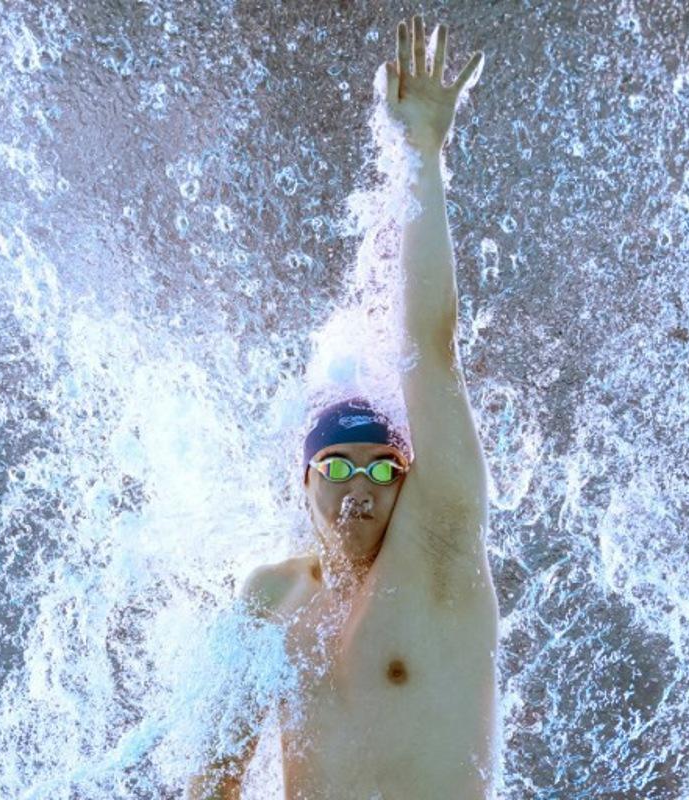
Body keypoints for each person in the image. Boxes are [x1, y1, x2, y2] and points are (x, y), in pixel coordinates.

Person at [189, 15, 494, 799]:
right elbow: (211, 782)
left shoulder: (439, 553)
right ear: (304, 480)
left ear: (409, 476)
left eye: (382, 466)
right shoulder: (271, 599)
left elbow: (432, 348)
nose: (360, 484)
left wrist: (422, 154)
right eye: (337, 465)